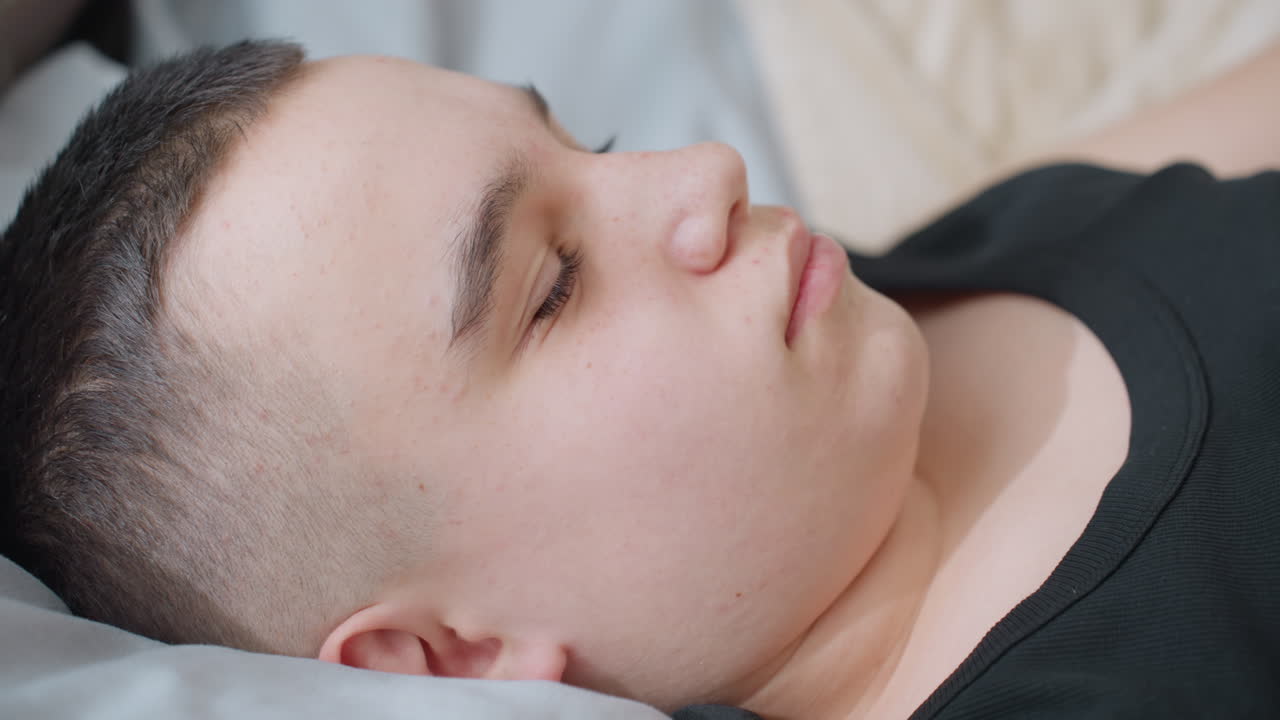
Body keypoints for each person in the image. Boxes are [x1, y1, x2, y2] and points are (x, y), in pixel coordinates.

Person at [2, 38, 1278, 720]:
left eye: (586, 142)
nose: (704, 172)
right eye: (551, 284)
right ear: (447, 657)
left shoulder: (878, 300)